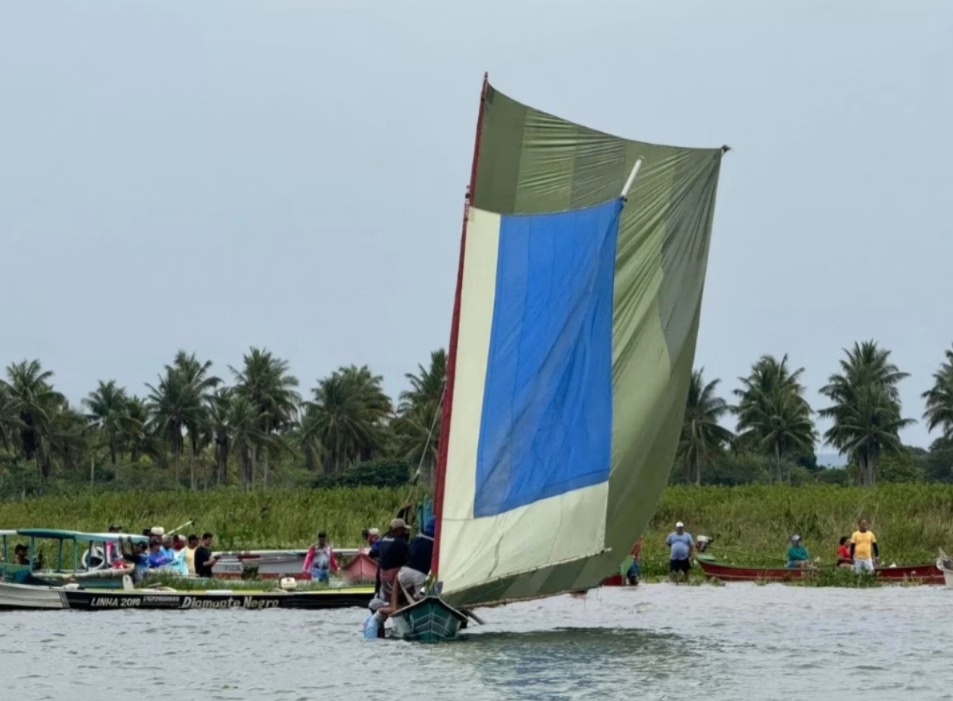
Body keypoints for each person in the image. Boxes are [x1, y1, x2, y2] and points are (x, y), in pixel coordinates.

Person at [397, 517, 434, 601]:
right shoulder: (436, 541)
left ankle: (394, 605)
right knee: (424, 599)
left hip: (405, 571)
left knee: (397, 580)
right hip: (422, 575)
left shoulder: (416, 537)